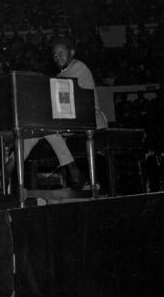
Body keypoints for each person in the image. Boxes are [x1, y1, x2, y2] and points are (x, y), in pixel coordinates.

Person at [24, 37, 107, 189]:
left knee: (46, 125)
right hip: (72, 120)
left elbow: (67, 100)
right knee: (33, 130)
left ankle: (72, 167)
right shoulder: (60, 75)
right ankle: (9, 164)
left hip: (89, 117)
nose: (57, 57)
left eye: (61, 53)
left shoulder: (79, 68)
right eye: (55, 55)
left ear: (72, 53)